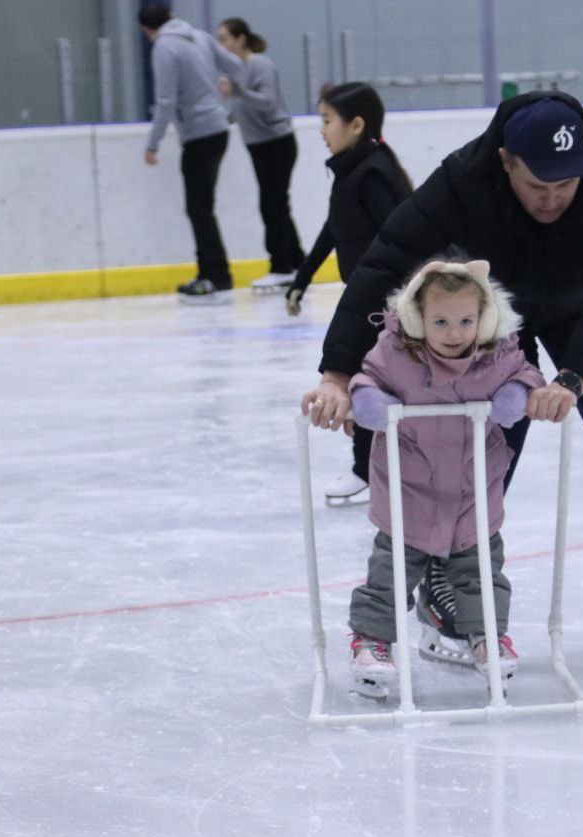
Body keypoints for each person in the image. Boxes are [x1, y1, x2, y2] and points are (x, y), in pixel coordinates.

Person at [300, 92, 583, 655]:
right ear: (505, 162)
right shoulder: (465, 176)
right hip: (497, 309)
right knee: (488, 423)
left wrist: (576, 373)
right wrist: (337, 370)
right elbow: (388, 260)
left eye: (565, 186)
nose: (552, 200)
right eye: (536, 186)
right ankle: (450, 576)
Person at [343, 259, 545, 698]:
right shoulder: (397, 355)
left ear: (484, 317)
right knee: (391, 573)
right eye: (440, 321)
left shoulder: (497, 354)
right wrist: (368, 400)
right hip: (409, 491)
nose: (454, 332)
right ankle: (372, 641)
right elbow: (366, 378)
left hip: (474, 490)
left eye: (465, 321)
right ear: (417, 318)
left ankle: (488, 636)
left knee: (482, 574)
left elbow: (526, 374)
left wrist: (517, 393)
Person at [287, 82, 414, 507]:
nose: (321, 130)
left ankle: (368, 472)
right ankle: (373, 469)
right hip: (368, 296)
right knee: (367, 379)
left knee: (367, 380)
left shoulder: (373, 172)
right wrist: (301, 279)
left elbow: (399, 235)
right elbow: (333, 229)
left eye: (327, 120)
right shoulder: (352, 169)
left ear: (356, 124)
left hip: (386, 301)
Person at [139, 4, 241, 304]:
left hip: (198, 134)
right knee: (202, 207)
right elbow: (237, 65)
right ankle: (214, 273)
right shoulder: (200, 36)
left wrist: (153, 143)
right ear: (170, 17)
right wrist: (231, 88)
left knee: (199, 208)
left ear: (147, 30)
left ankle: (215, 276)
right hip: (218, 127)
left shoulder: (164, 48)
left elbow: (166, 100)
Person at [214, 18, 305, 292]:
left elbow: (267, 101)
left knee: (272, 204)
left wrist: (239, 91)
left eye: (226, 38)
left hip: (276, 142)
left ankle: (281, 267)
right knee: (276, 203)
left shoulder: (258, 64)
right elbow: (247, 107)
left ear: (241, 38)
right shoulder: (238, 69)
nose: (222, 45)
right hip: (260, 144)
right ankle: (297, 259)